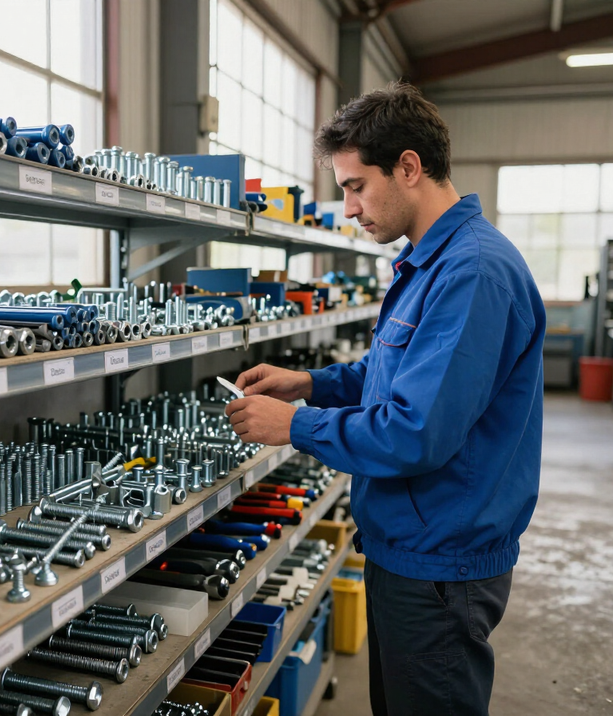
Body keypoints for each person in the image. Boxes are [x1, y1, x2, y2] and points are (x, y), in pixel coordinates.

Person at [225, 81, 546, 716]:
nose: (348, 208)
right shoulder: (434, 260)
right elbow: (397, 372)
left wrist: (296, 423)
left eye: (355, 186)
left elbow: (413, 430)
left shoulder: (471, 272)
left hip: (440, 567)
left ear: (408, 167)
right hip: (411, 547)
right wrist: (313, 383)